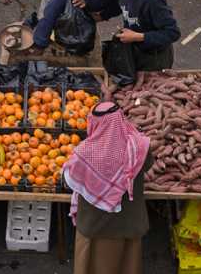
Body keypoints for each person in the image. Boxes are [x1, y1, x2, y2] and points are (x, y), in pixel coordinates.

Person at [62, 101, 152, 274]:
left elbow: (68, 179)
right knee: (128, 267)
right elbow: (147, 165)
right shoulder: (139, 145)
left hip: (95, 226)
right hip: (129, 222)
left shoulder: (84, 154)